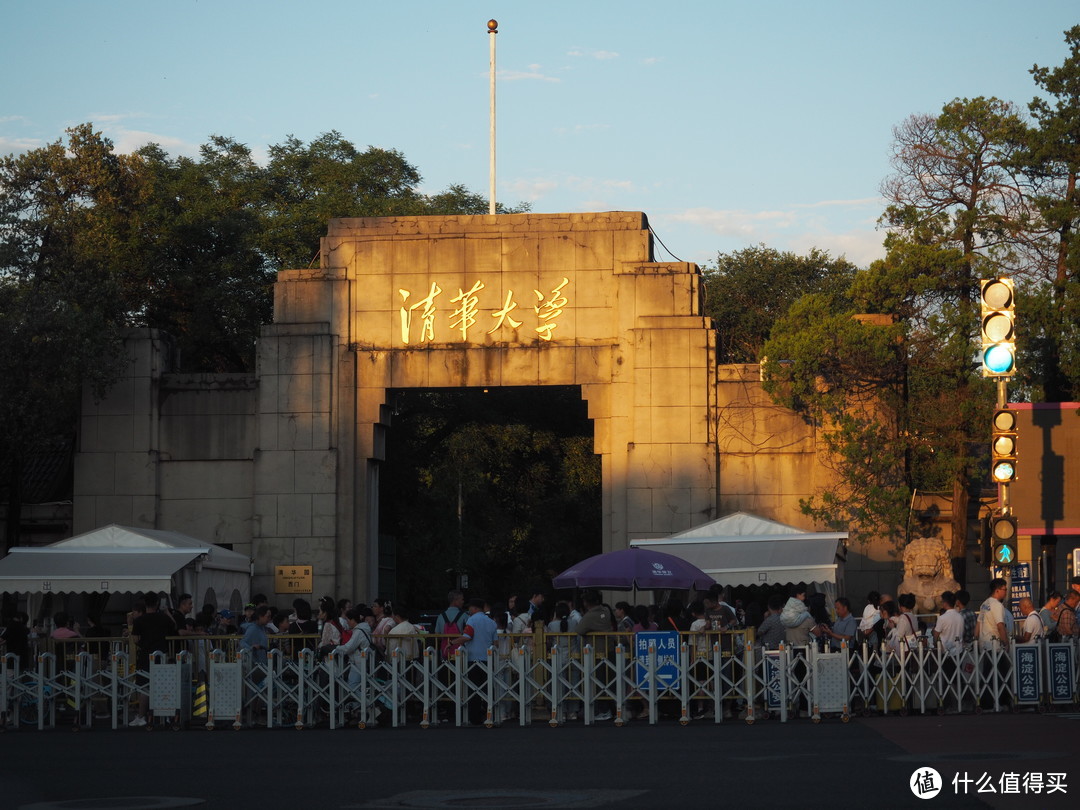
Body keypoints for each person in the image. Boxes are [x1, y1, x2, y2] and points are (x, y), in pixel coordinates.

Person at [128, 593, 174, 727]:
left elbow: (135, 639)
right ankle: (165, 714)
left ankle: (142, 716)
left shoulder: (139, 621)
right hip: (161, 654)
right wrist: (166, 612)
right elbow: (173, 626)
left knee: (144, 685)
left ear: (145, 604)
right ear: (158, 604)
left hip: (145, 655)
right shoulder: (164, 618)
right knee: (163, 684)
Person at [452, 598, 498, 725]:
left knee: (474, 689)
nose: (469, 610)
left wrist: (452, 642)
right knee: (488, 688)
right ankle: (491, 714)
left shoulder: (471, 620)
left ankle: (475, 717)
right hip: (488, 659)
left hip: (473, 659)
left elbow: (467, 636)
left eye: (470, 608)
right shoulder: (492, 622)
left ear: (475, 608)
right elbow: (496, 643)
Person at [575, 589, 614, 721]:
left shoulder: (589, 616)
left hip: (595, 652)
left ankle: (603, 710)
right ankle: (608, 709)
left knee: (598, 683)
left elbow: (579, 630)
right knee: (607, 681)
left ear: (586, 603)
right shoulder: (606, 611)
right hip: (609, 650)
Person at [978, 579, 1009, 650]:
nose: (1006, 592)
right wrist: (1006, 644)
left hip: (984, 645)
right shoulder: (997, 605)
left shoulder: (984, 604)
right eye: (1005, 589)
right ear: (997, 590)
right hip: (995, 646)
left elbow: (978, 623)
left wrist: (977, 640)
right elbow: (1000, 626)